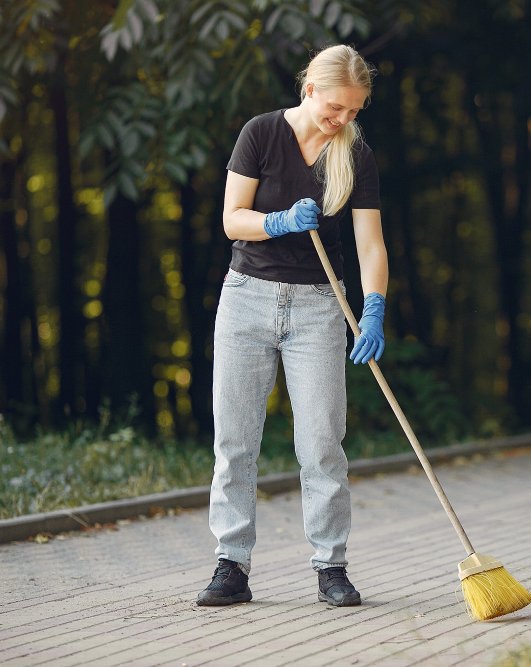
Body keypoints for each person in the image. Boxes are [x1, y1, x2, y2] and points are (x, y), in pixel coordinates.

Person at [196, 45, 387, 607]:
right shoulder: (260, 134)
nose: (343, 120)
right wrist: (277, 221)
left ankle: (332, 567)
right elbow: (233, 219)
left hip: (319, 307)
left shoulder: (356, 154)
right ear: (309, 91)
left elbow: (370, 244)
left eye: (354, 111)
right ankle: (231, 566)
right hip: (247, 299)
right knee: (235, 441)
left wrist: (373, 305)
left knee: (323, 442)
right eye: (335, 109)